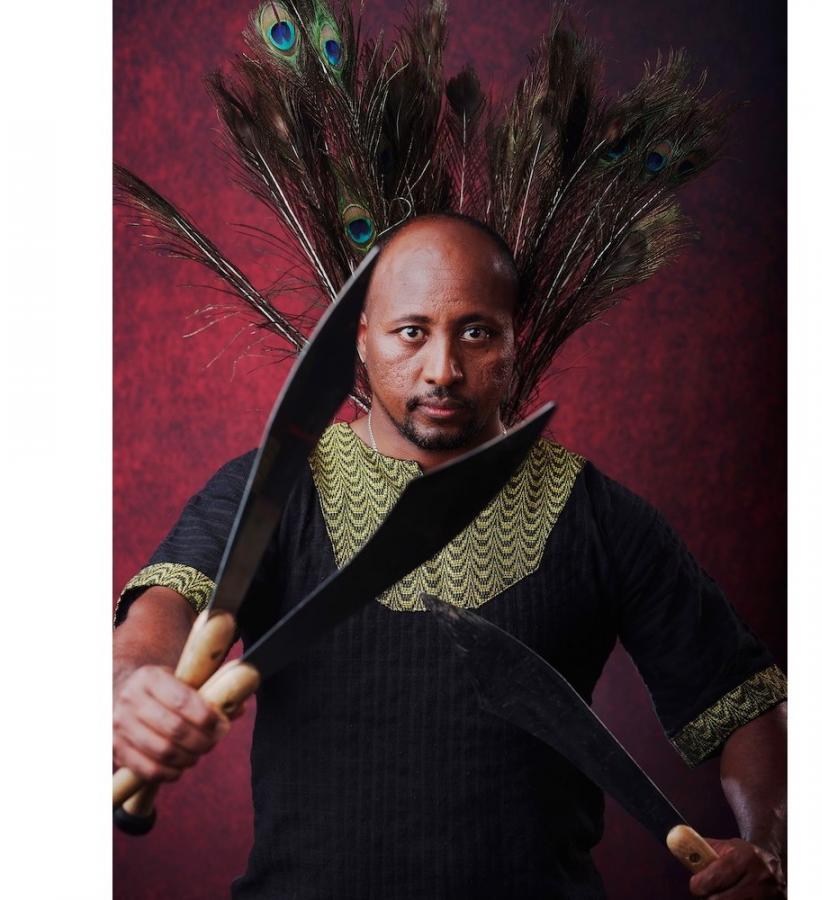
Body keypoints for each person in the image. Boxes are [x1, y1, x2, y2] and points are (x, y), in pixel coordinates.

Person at [114, 213, 786, 899]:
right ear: (362, 338)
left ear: (515, 340)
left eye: (476, 333)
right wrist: (133, 682)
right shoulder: (274, 489)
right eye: (412, 332)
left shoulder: (598, 515)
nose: (443, 371)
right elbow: (163, 606)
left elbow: (747, 702)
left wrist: (770, 844)